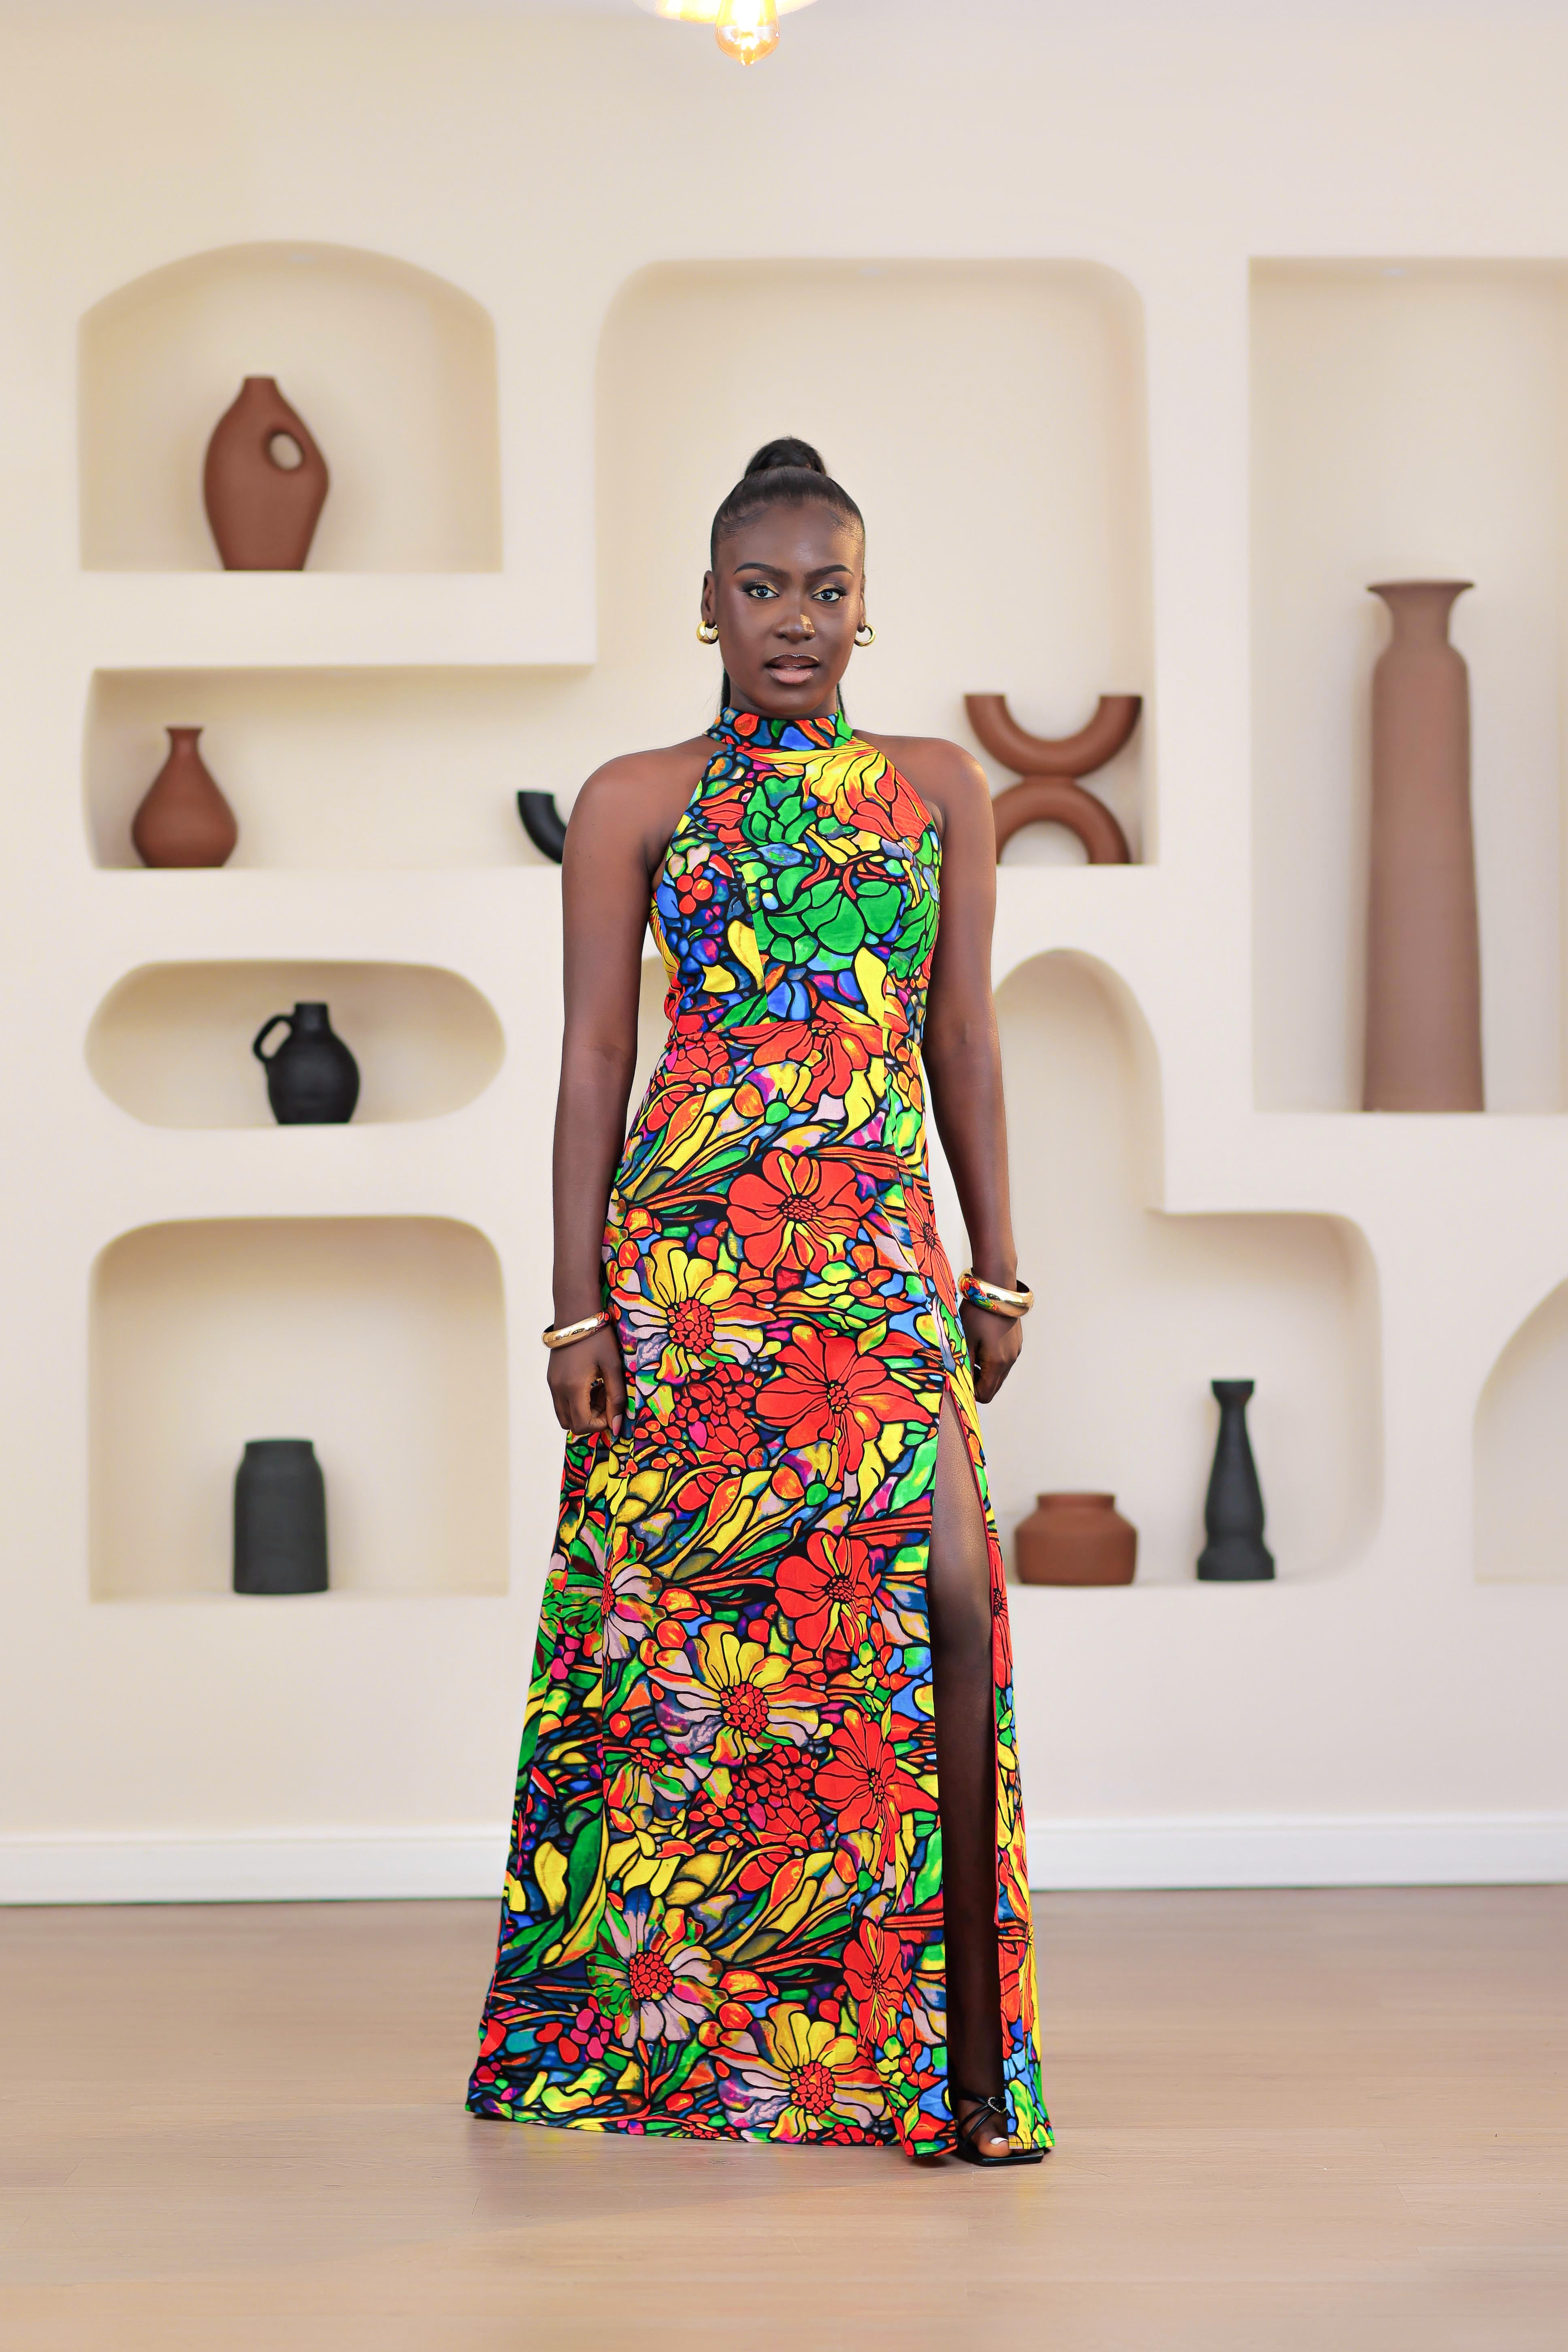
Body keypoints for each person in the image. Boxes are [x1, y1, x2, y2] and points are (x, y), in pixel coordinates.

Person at [468, 439, 1050, 2165]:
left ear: (866, 610)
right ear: (705, 605)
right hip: (698, 1274)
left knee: (941, 1597)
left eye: (825, 588)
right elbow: (591, 1056)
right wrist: (575, 1312)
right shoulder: (637, 796)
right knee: (684, 1658)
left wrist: (994, 1267)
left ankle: (953, 2071)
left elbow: (961, 1041)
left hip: (872, 1258)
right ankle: (676, 2044)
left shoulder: (941, 789)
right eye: (760, 587)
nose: (793, 619)